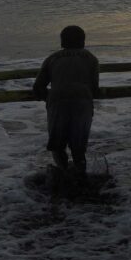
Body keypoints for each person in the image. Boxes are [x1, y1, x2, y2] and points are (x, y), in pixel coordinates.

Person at [33, 25, 100, 173]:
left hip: (57, 101)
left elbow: (38, 87)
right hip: (82, 102)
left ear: (62, 42)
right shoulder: (91, 59)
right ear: (83, 41)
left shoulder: (52, 58)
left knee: (57, 145)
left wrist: (49, 99)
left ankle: (62, 171)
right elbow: (94, 87)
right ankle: (80, 175)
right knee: (78, 146)